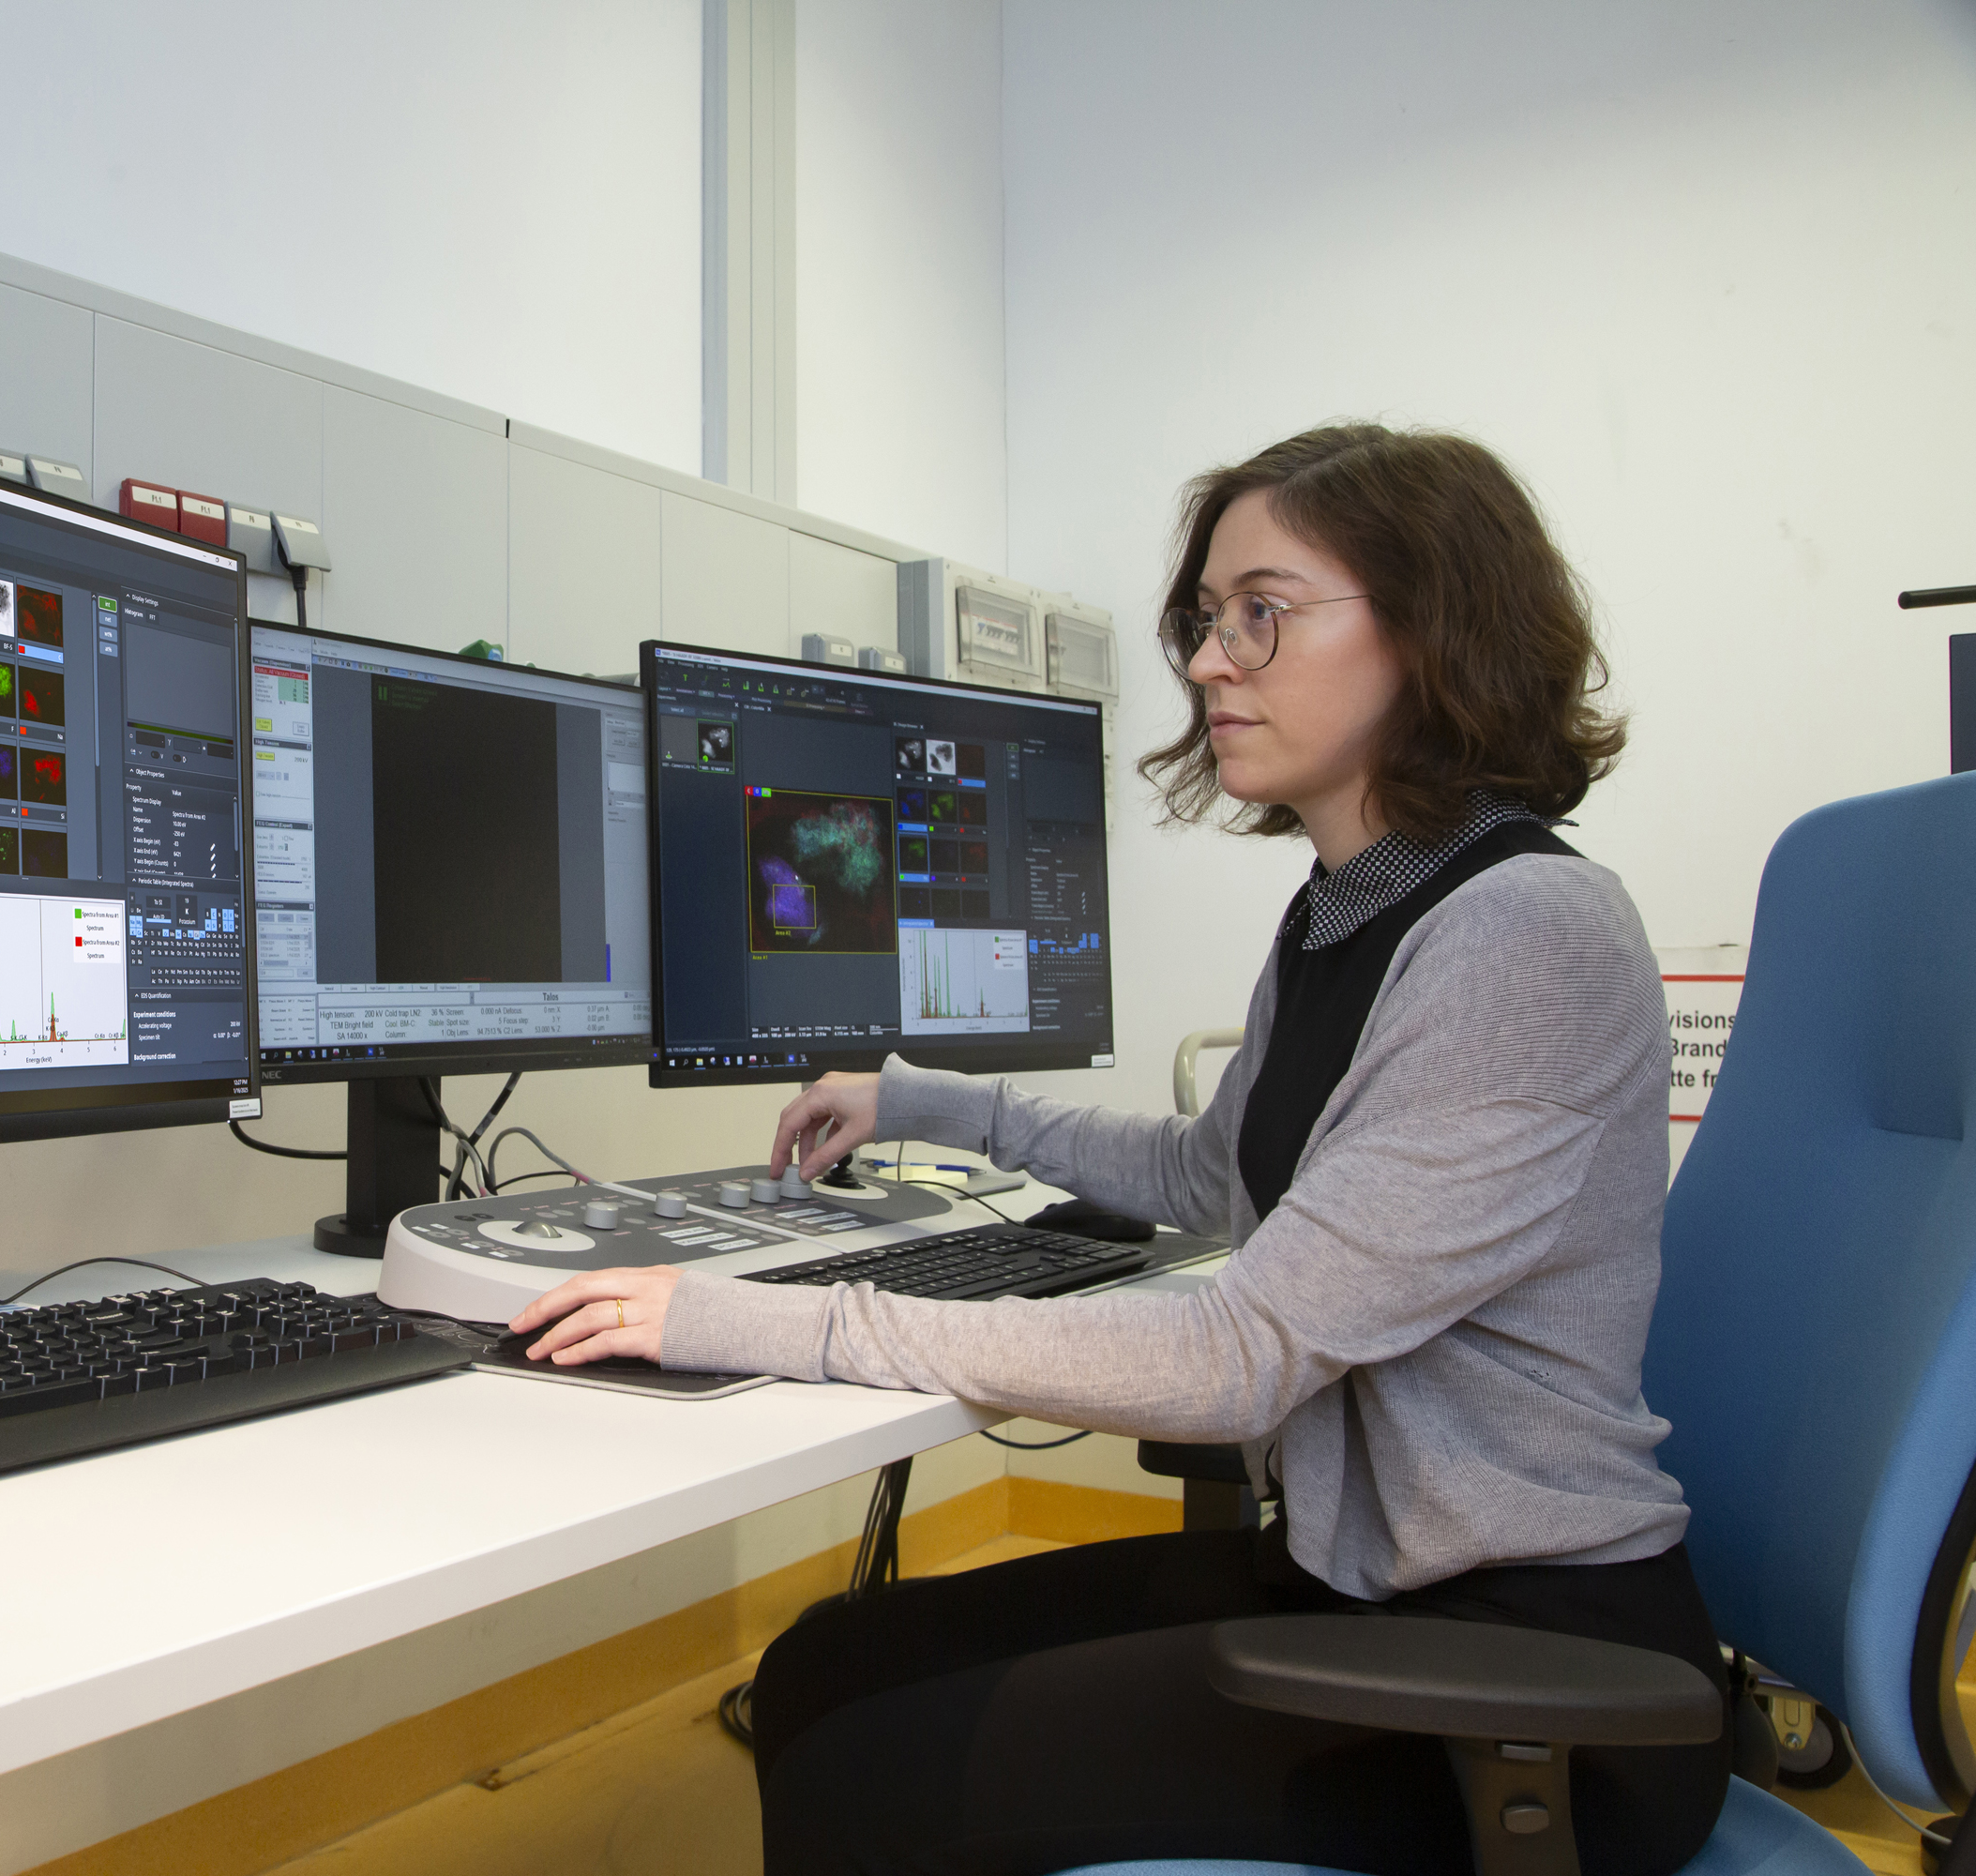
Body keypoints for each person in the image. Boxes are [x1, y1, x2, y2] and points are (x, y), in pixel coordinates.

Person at [508, 424, 1724, 1876]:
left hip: (1537, 1678)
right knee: (823, 1668)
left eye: (1261, 613)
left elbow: (1237, 1356)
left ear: (1429, 627)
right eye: (1206, 620)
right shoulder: (1346, 910)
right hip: (1358, 1585)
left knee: (870, 1765)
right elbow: (1212, 1176)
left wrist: (759, 1319)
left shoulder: (1526, 931)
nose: (1208, 662)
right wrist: (926, 1102)